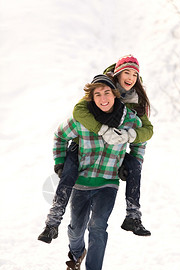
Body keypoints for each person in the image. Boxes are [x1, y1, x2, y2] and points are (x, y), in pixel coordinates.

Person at [38, 54, 153, 244]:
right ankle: (52, 223)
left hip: (113, 150)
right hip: (86, 144)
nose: (131, 78)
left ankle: (133, 216)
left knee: (135, 165)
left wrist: (130, 136)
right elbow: (79, 111)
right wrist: (102, 129)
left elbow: (147, 130)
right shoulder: (102, 87)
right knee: (68, 171)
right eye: (127, 72)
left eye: (135, 74)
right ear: (117, 74)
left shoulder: (136, 99)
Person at [51, 75, 144, 270]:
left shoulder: (130, 120)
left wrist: (132, 165)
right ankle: (75, 256)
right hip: (81, 183)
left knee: (98, 227)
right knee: (76, 229)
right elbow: (59, 136)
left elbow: (140, 143)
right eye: (98, 94)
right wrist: (60, 163)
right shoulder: (83, 119)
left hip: (108, 184)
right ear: (92, 97)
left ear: (115, 94)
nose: (103, 98)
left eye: (107, 93)